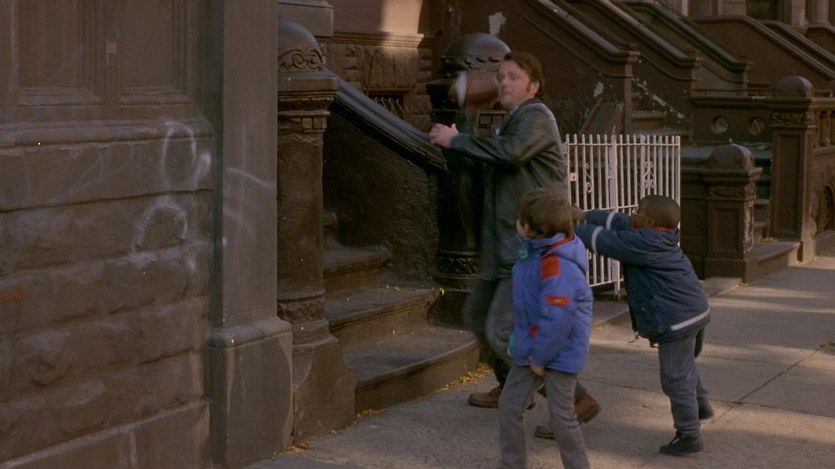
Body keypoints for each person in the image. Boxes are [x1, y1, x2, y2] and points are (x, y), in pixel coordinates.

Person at [428, 51, 601, 421]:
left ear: (533, 87)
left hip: (531, 247)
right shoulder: (510, 122)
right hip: (501, 245)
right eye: (501, 76)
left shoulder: (536, 117)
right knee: (476, 316)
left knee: (502, 330)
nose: (503, 82)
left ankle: (575, 399)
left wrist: (457, 141)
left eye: (513, 77)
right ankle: (514, 389)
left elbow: (510, 154)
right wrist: (461, 132)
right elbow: (489, 162)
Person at [572, 195, 713, 456]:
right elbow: (620, 222)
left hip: (677, 319)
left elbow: (602, 240)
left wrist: (567, 226)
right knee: (684, 366)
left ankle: (689, 434)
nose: (632, 215)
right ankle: (699, 405)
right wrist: (586, 215)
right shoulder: (656, 234)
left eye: (637, 211)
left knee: (675, 377)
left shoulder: (643, 243)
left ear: (648, 222)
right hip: (694, 312)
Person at [499, 188, 592, 469]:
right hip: (533, 345)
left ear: (530, 227)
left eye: (520, 219)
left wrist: (539, 358)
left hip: (557, 352)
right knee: (509, 405)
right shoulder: (536, 251)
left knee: (562, 417)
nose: (516, 222)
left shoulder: (557, 265)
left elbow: (558, 318)